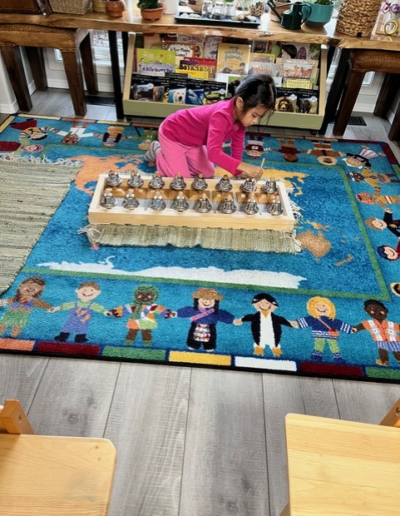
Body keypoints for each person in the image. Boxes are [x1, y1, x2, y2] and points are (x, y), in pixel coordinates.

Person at [144, 74, 276, 180]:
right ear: (240, 103)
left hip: (193, 142)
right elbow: (214, 153)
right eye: (254, 115)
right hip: (173, 134)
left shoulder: (241, 117)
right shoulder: (221, 115)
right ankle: (158, 150)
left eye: (260, 117)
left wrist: (238, 172)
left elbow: (237, 146)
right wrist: (244, 166)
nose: (255, 121)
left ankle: (177, 159)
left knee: (207, 173)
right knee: (182, 180)